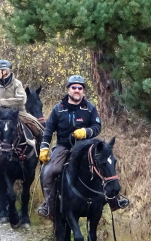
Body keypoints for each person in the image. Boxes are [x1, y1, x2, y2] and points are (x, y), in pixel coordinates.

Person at [36, 75, 103, 219]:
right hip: (64, 147)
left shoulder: (90, 108)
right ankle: (49, 206)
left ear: (83, 91)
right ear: (68, 90)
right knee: (48, 172)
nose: (77, 90)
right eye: (74, 87)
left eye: (80, 88)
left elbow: (97, 126)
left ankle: (112, 199)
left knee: (105, 165)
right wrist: (43, 148)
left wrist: (86, 132)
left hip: (86, 146)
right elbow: (48, 130)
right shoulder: (58, 109)